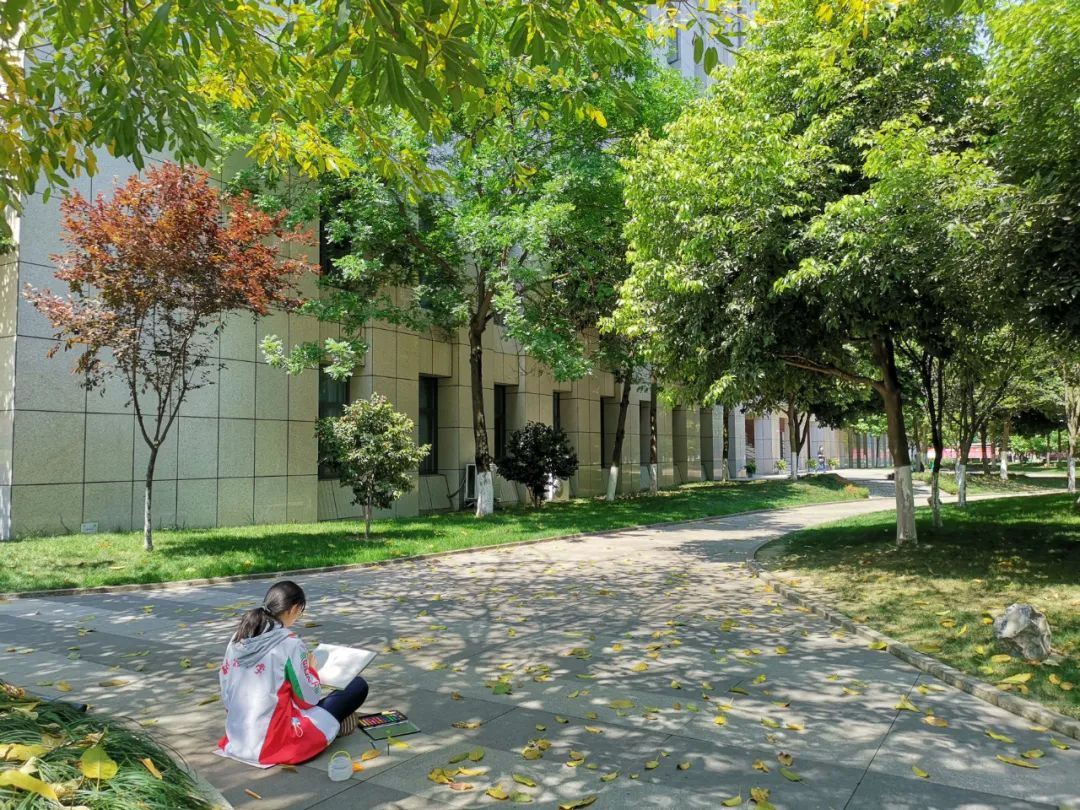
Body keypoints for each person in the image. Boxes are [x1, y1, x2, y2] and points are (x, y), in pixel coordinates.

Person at [217, 580, 369, 767]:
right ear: (293, 609)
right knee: (357, 686)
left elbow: (225, 687)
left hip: (238, 734)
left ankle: (337, 721)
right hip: (273, 742)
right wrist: (311, 669)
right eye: (300, 611)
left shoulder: (238, 637)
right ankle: (337, 722)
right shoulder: (290, 643)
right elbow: (308, 699)